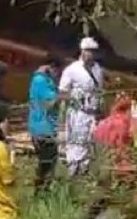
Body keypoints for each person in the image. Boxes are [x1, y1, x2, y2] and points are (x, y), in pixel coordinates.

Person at [59, 37, 104, 177]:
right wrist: (74, 100)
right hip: (79, 112)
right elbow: (63, 92)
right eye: (88, 51)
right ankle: (74, 171)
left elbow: (100, 90)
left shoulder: (97, 69)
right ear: (82, 51)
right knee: (77, 142)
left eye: (93, 51)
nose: (91, 54)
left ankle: (86, 172)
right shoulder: (72, 70)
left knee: (91, 143)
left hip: (94, 112)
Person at [27, 56, 63, 192]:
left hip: (44, 127)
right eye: (57, 71)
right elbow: (48, 103)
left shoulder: (40, 80)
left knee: (47, 163)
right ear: (51, 67)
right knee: (47, 164)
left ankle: (42, 191)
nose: (58, 75)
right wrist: (63, 96)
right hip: (43, 129)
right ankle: (41, 193)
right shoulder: (41, 81)